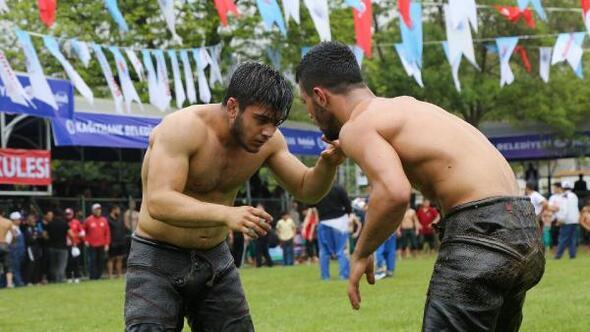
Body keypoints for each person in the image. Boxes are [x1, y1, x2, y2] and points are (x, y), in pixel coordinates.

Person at [296, 41, 545, 331]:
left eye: (305, 104)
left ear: (320, 96)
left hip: (482, 232)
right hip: (525, 230)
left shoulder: (358, 126)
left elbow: (393, 193)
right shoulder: (406, 107)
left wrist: (361, 252)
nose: (310, 115)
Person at [125, 63, 345, 332]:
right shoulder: (183, 128)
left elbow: (307, 189)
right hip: (157, 256)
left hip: (215, 258)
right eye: (261, 119)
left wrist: (328, 164)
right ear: (232, 107)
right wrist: (228, 214)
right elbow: (159, 201)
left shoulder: (269, 142)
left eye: (275, 123)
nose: (268, 131)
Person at [315, 184, 352, 281]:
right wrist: (348, 212)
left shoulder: (319, 189)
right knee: (341, 250)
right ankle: (344, 275)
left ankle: (325, 276)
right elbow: (347, 204)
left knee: (324, 251)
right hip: (339, 222)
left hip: (323, 221)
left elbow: (310, 203)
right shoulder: (339, 188)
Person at [84, 204, 110, 280]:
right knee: (92, 261)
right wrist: (85, 240)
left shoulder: (104, 220)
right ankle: (92, 276)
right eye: (96, 209)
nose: (98, 211)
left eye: (99, 209)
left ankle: (99, 275)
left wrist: (107, 243)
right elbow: (83, 231)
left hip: (101, 244)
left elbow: (107, 233)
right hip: (92, 245)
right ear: (93, 210)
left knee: (101, 261)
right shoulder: (88, 220)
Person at [554, 181, 580, 260]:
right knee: (572, 238)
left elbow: (564, 209)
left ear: (562, 188)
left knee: (563, 238)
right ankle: (572, 255)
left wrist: (561, 219)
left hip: (566, 220)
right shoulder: (574, 195)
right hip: (574, 220)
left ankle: (558, 255)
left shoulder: (564, 196)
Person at [45, 210, 69, 283]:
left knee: (53, 265)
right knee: (61, 265)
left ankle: (54, 279)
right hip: (62, 247)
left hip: (52, 247)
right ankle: (60, 279)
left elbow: (45, 235)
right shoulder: (64, 224)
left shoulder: (50, 224)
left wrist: (50, 239)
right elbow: (71, 234)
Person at [107, 205, 128, 279]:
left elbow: (125, 228)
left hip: (121, 241)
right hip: (112, 242)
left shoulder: (121, 219)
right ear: (113, 210)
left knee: (120, 258)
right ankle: (110, 276)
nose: (119, 212)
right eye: (118, 210)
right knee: (111, 258)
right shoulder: (108, 219)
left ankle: (119, 275)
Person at [65, 208, 84, 283]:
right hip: (67, 245)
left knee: (76, 262)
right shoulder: (64, 222)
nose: (68, 216)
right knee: (68, 262)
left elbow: (82, 233)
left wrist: (75, 236)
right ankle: (69, 277)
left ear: (72, 214)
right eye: (67, 214)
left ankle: (77, 276)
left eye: (69, 214)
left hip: (76, 244)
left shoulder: (76, 222)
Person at [7, 212, 26, 287]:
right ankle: (19, 283)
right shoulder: (11, 229)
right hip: (14, 252)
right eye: (18, 219)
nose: (20, 221)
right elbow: (8, 241)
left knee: (17, 267)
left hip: (19, 252)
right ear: (13, 220)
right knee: (14, 268)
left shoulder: (18, 228)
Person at [0, 214, 15, 288]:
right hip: (4, 245)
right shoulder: (8, 222)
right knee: (8, 266)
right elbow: (14, 235)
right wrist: (11, 243)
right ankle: (9, 284)